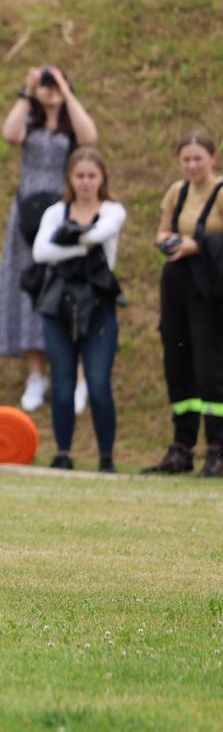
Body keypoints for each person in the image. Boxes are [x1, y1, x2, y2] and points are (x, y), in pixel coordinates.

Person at [0, 64, 96, 411]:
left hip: (64, 216)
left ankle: (78, 375)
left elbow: (89, 139)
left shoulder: (71, 125)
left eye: (54, 82)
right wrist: (28, 90)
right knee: (28, 287)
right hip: (26, 217)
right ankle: (36, 374)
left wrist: (66, 93)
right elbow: (10, 134)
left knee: (70, 290)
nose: (49, 89)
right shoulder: (29, 122)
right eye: (46, 84)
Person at [31, 146, 126, 472]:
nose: (86, 182)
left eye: (92, 176)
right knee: (62, 383)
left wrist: (66, 243)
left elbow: (102, 234)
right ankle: (63, 453)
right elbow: (41, 253)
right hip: (59, 307)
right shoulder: (56, 212)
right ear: (70, 178)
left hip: (99, 307)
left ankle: (106, 457)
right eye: (80, 176)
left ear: (102, 179)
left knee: (98, 383)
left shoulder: (113, 209)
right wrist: (81, 243)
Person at [143, 131, 223, 477]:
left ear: (213, 158)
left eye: (198, 158)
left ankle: (218, 449)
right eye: (186, 159)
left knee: (210, 368)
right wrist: (168, 240)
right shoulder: (177, 191)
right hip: (176, 281)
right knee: (178, 362)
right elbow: (162, 229)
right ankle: (181, 448)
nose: (191, 165)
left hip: (209, 287)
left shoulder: (220, 192)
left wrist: (199, 245)